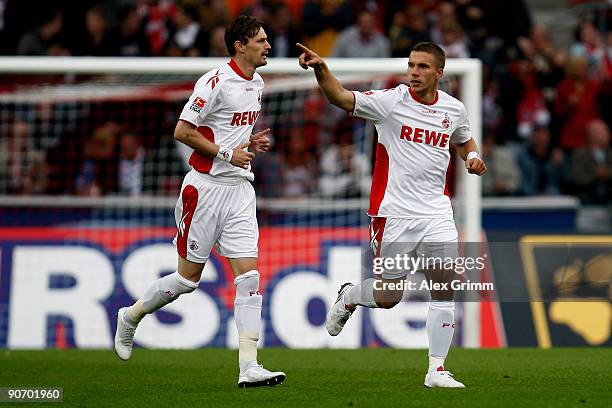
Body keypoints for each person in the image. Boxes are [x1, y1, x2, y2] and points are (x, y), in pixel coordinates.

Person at [297, 41, 486, 388]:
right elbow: (340, 97)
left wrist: (471, 156)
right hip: (394, 214)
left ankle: (437, 369)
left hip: (436, 211)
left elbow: (463, 139)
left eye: (423, 67)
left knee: (445, 287)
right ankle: (350, 295)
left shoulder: (453, 108)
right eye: (412, 65)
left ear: (439, 73)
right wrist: (321, 68)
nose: (414, 72)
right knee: (388, 297)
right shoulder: (390, 102)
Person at [115, 15, 286, 388]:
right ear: (240, 45)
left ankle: (249, 366)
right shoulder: (214, 82)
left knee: (250, 278)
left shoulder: (257, 83)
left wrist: (249, 143)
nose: (268, 46)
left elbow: (230, 130)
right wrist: (227, 152)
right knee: (187, 280)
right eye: (261, 40)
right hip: (204, 189)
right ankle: (130, 316)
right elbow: (182, 131)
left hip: (240, 189)